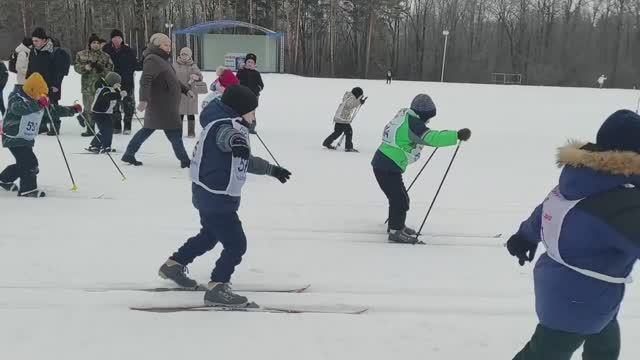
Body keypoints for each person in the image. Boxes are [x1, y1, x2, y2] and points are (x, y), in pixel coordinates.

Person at [507, 110, 640, 360]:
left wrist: (525, 235)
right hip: (581, 299)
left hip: (565, 285)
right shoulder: (621, 201)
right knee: (546, 351)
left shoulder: (584, 178)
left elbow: (550, 208)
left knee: (605, 341)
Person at [157, 85, 292, 306]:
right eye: (252, 111)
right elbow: (226, 138)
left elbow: (243, 159)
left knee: (209, 236)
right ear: (239, 111)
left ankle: (174, 265)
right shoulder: (226, 127)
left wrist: (272, 170)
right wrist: (236, 141)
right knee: (237, 245)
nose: (254, 116)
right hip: (217, 199)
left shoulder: (228, 122)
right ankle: (218, 287)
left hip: (209, 195)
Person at [371, 94, 471, 243]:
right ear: (422, 115)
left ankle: (396, 225)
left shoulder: (406, 116)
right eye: (428, 117)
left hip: (385, 163)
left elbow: (422, 134)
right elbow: (432, 138)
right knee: (400, 200)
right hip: (387, 165)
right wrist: (456, 136)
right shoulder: (414, 124)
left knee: (399, 198)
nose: (429, 121)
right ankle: (395, 231)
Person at [0, 73, 81, 197]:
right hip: (13, 137)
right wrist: (38, 104)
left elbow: (53, 110)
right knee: (30, 163)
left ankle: (3, 179)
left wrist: (72, 109)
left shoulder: (36, 99)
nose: (41, 96)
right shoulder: (16, 97)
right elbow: (17, 109)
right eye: (39, 93)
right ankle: (28, 190)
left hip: (26, 137)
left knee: (25, 163)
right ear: (31, 90)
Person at [121, 33, 192, 168]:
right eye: (165, 45)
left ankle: (129, 154)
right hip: (161, 105)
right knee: (174, 132)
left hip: (166, 105)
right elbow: (145, 80)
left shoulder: (162, 59)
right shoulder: (152, 59)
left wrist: (185, 89)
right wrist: (143, 100)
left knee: (149, 130)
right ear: (157, 45)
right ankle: (185, 161)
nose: (169, 47)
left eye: (169, 45)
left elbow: (173, 80)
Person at [27, 27, 70, 136]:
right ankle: (42, 126)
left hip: (51, 84)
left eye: (36, 40)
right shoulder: (33, 51)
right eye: (33, 40)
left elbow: (60, 70)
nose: (34, 43)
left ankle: (55, 126)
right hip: (37, 84)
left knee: (52, 105)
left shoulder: (54, 51)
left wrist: (56, 84)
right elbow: (30, 67)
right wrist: (28, 80)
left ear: (44, 40)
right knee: (38, 104)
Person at [73, 33, 113, 137]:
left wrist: (102, 69)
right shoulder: (81, 54)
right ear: (89, 44)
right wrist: (85, 68)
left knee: (99, 108)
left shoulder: (105, 56)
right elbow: (77, 67)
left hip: (100, 87)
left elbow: (110, 70)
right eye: (93, 42)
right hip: (87, 86)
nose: (96, 45)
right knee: (88, 108)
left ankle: (100, 127)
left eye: (98, 43)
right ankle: (90, 129)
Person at [103, 29, 137, 135]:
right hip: (112, 81)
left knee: (128, 105)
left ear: (122, 39)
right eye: (114, 38)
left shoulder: (129, 50)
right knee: (114, 105)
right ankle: (116, 126)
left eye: (119, 38)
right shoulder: (106, 50)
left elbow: (134, 65)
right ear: (111, 39)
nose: (117, 40)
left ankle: (127, 126)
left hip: (127, 81)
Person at [86, 72, 127, 154]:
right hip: (100, 113)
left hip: (104, 113)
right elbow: (108, 96)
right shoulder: (105, 89)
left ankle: (95, 145)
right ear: (112, 82)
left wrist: (119, 93)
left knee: (105, 129)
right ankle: (106, 147)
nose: (119, 85)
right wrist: (119, 95)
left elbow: (113, 94)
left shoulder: (108, 88)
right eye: (117, 83)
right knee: (107, 130)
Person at [322, 87, 366, 152]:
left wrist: (359, 101)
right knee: (349, 132)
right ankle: (348, 147)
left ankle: (327, 142)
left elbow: (352, 104)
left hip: (340, 118)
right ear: (357, 94)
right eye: (359, 95)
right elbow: (350, 105)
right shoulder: (351, 98)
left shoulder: (349, 96)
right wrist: (359, 102)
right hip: (342, 119)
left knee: (337, 132)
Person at [173, 47, 203, 138]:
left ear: (189, 56)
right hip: (179, 92)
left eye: (186, 54)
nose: (184, 56)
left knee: (191, 113)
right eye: (182, 54)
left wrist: (197, 77)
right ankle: (178, 132)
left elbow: (200, 77)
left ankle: (191, 132)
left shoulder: (193, 66)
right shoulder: (175, 65)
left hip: (191, 93)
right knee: (180, 113)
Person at [237, 53, 264, 134]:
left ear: (254, 64)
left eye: (252, 62)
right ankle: (241, 125)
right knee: (242, 111)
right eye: (248, 62)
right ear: (245, 63)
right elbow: (236, 81)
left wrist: (257, 89)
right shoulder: (241, 72)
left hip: (253, 96)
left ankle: (251, 127)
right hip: (243, 95)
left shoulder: (256, 73)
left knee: (252, 112)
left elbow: (261, 85)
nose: (250, 64)